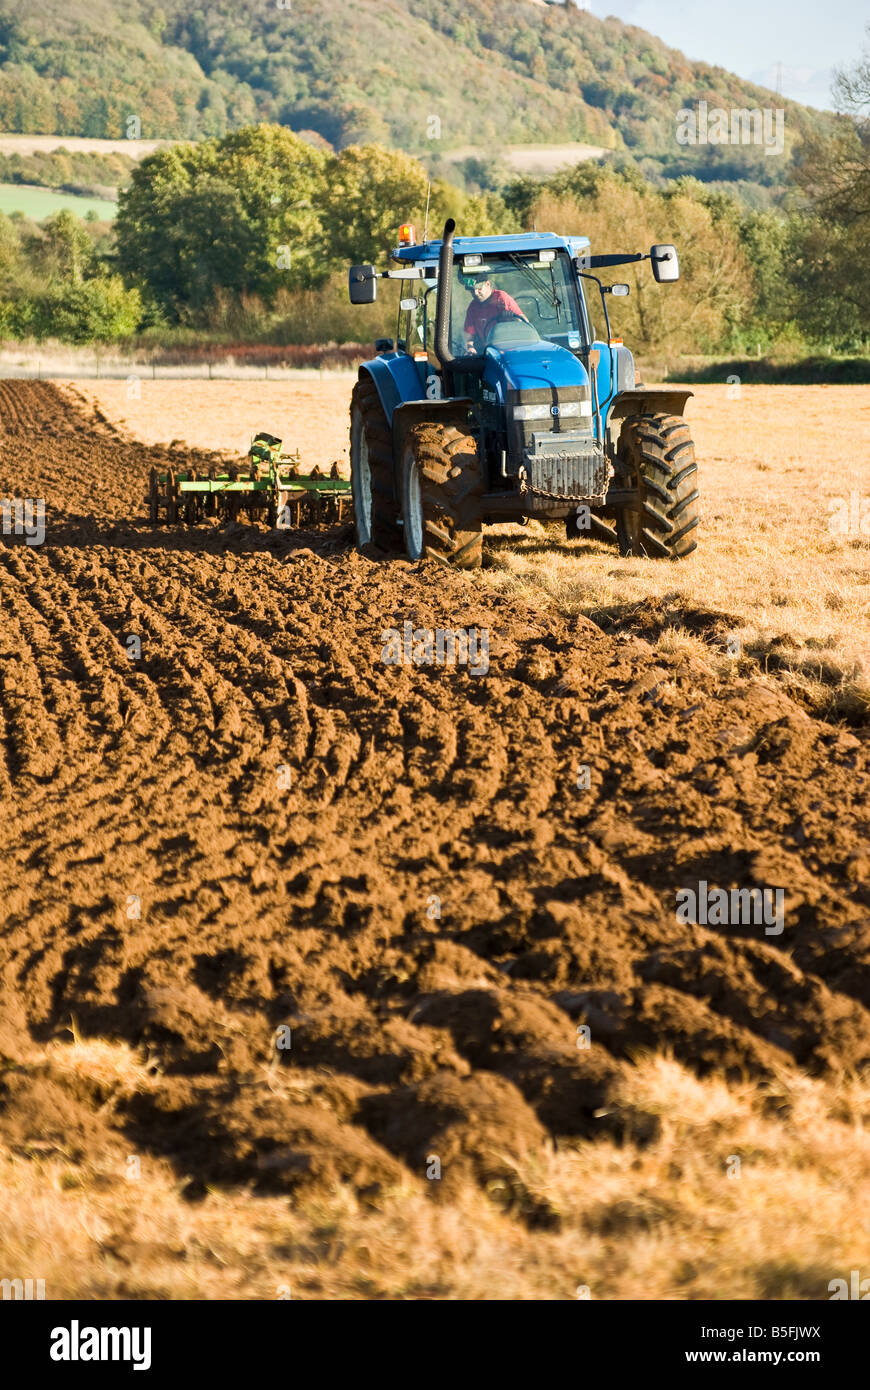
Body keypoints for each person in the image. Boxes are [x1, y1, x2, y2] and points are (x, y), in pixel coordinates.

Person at [463, 274, 528, 354]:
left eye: (479, 288)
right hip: (489, 353)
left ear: (487, 284)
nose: (476, 293)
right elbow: (469, 336)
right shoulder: (473, 307)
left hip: (511, 352)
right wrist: (470, 347)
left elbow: (524, 323)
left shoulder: (501, 298)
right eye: (472, 290)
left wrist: (512, 320)